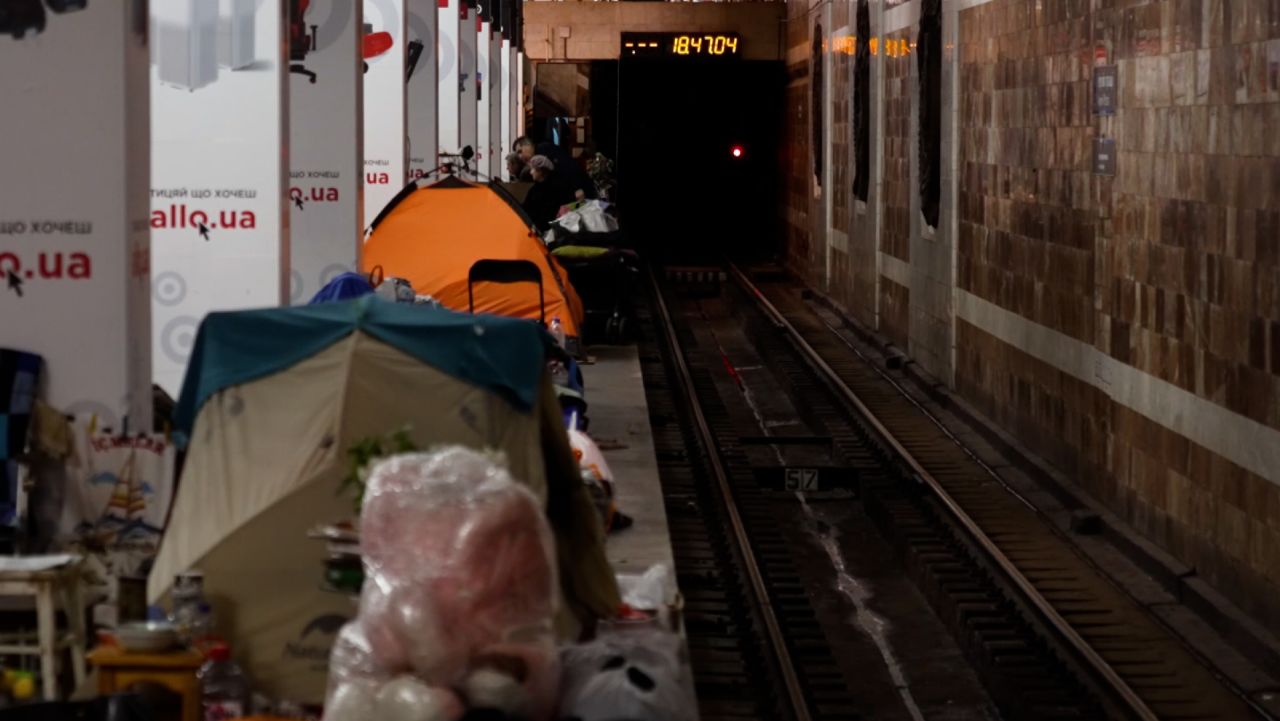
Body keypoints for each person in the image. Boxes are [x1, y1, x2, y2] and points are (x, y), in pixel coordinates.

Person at [514, 137, 596, 200]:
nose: (520, 157)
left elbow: (568, 168)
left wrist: (580, 189)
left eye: (520, 151)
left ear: (528, 145)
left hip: (580, 192)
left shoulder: (546, 149)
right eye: (518, 154)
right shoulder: (534, 161)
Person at [522, 155, 576, 231]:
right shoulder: (536, 188)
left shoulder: (554, 188)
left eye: (532, 169)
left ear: (540, 170)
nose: (531, 172)